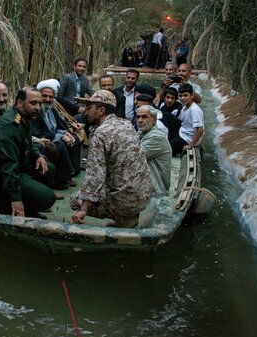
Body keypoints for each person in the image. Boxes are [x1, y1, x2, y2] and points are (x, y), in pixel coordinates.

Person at [70, 90, 152, 227]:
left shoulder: (101, 134)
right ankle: (127, 217)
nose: (85, 112)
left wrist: (83, 210)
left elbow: (95, 176)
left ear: (101, 110)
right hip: (144, 195)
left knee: (74, 200)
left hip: (126, 201)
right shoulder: (126, 124)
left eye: (89, 108)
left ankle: (124, 219)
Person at [0, 87, 56, 218]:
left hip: (19, 168)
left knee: (49, 169)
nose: (38, 107)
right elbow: (8, 165)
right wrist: (15, 199)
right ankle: (4, 203)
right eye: (33, 103)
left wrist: (38, 156)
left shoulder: (23, 118)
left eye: (39, 103)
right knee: (48, 198)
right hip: (0, 179)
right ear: (20, 103)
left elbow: (28, 141)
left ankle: (27, 204)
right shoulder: (10, 126)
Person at [31, 79, 81, 190]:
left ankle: (71, 172)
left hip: (53, 136)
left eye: (50, 97)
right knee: (60, 144)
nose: (47, 99)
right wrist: (60, 136)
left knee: (75, 139)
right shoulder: (36, 112)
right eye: (44, 96)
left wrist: (66, 133)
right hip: (42, 139)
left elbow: (59, 127)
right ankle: (58, 180)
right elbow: (38, 133)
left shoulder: (52, 110)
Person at [137, 105, 172, 195]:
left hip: (156, 191)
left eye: (144, 117)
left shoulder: (156, 137)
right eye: (138, 117)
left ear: (154, 120)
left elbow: (133, 157)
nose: (140, 120)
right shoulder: (143, 132)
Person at [170, 83, 204, 156]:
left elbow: (200, 129)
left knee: (168, 148)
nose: (183, 98)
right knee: (167, 116)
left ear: (192, 96)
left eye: (185, 95)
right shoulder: (185, 107)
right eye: (181, 96)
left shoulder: (194, 110)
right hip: (182, 131)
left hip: (187, 138)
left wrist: (191, 145)